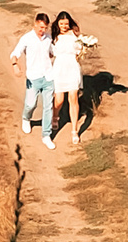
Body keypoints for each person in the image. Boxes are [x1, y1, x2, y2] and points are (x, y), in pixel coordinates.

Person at [50, 9, 100, 140]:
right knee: (59, 99)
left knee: (73, 98)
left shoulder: (75, 36)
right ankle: (55, 116)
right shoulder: (54, 37)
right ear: (58, 24)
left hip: (72, 68)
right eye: (62, 24)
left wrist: (84, 48)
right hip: (59, 69)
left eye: (66, 24)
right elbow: (51, 53)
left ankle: (74, 130)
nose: (64, 27)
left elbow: (78, 52)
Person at [9, 11, 57, 144]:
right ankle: (26, 118)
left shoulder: (48, 38)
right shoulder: (27, 38)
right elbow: (15, 52)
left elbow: (53, 52)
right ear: (35, 24)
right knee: (31, 104)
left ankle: (46, 135)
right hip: (33, 78)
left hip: (48, 76)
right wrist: (15, 64)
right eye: (40, 27)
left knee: (49, 106)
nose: (43, 30)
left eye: (45, 28)